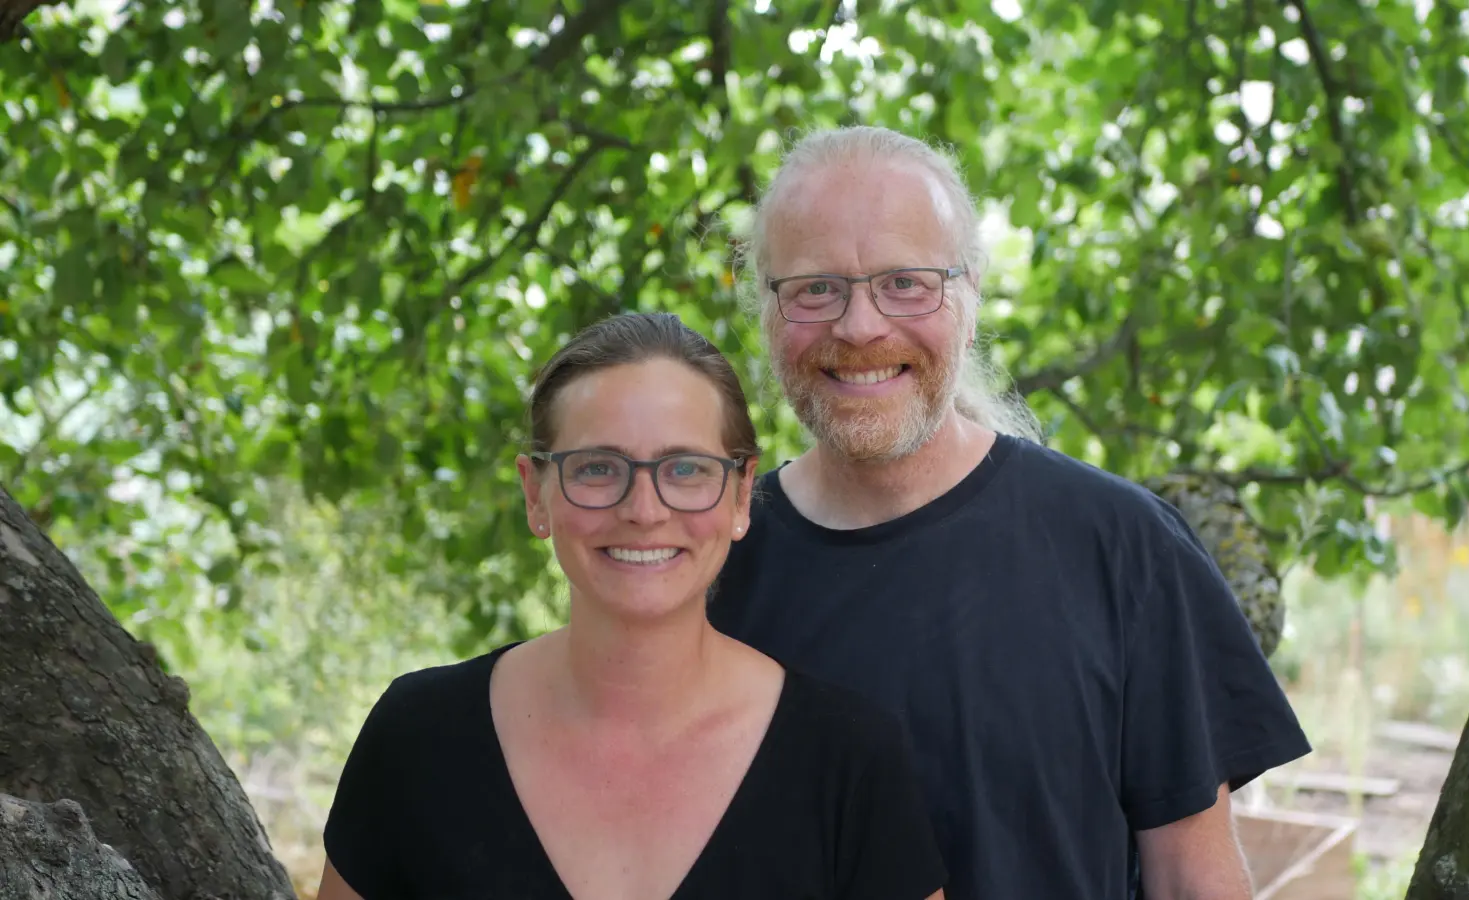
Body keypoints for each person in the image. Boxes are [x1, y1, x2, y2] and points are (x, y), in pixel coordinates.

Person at [707, 125, 1314, 900]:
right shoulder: (716, 565)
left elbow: (1193, 883)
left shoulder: (1120, 547)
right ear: (765, 306)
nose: (860, 326)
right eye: (815, 287)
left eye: (905, 282)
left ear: (969, 293)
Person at [316, 312, 949, 900]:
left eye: (685, 470)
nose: (644, 510)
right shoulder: (415, 740)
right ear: (536, 495)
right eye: (597, 468)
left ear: (739, 495)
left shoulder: (849, 760)